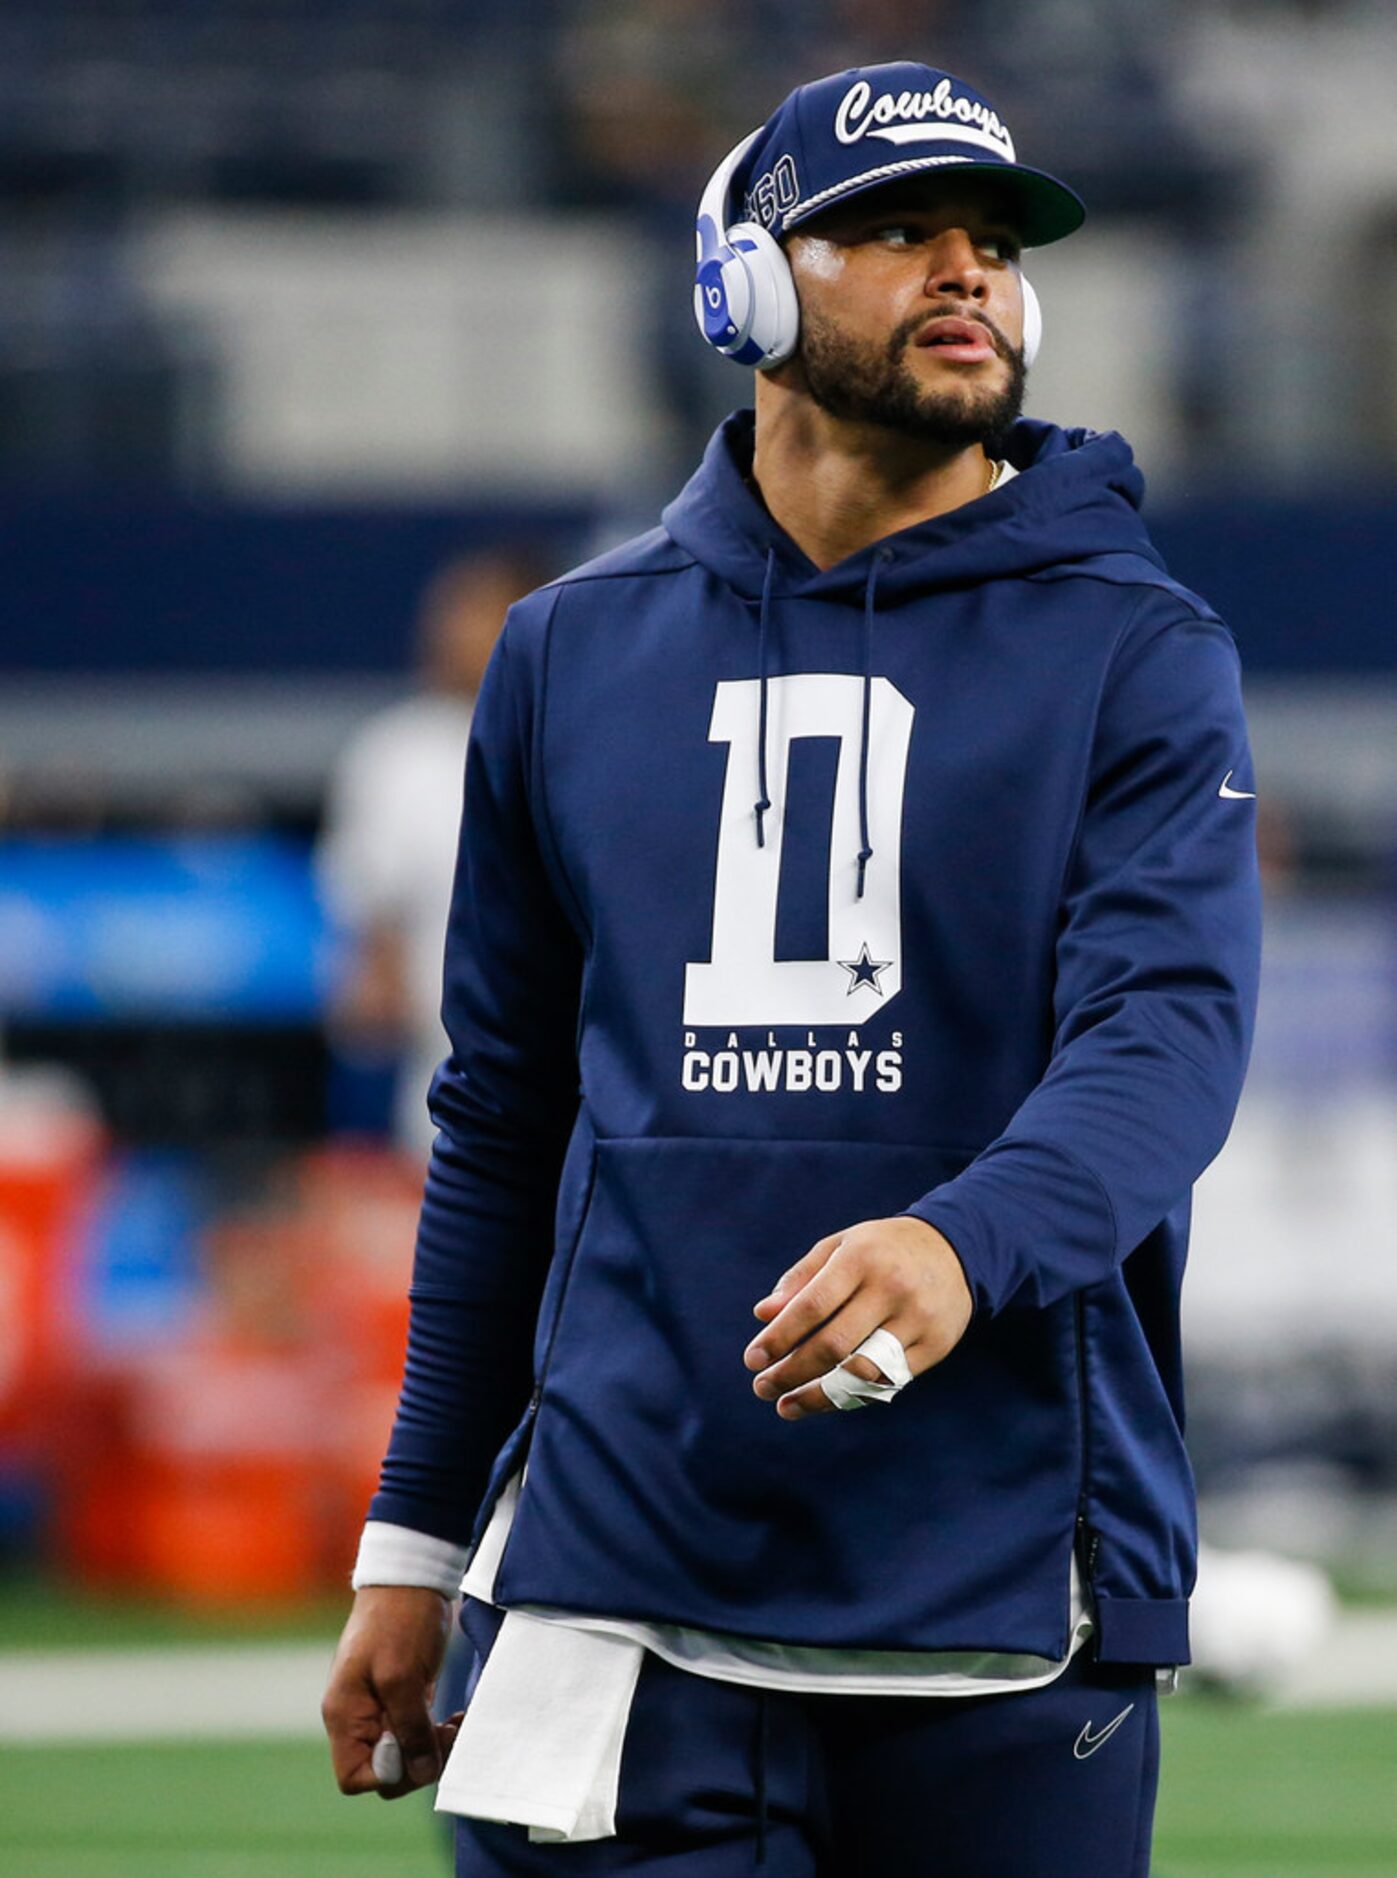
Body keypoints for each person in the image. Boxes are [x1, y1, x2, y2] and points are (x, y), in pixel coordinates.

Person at [322, 60, 1261, 1875]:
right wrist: (417, 1540)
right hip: (604, 1595)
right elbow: (501, 1123)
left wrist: (954, 1238)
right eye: (893, 229)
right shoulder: (565, 654)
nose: (963, 271)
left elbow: (1165, 1043)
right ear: (738, 282)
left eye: (989, 239)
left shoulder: (1138, 649)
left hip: (996, 1597)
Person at [316, 549, 546, 1156]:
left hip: (573, 1082)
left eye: (476, 612)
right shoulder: (396, 753)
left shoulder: (576, 735)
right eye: (449, 614)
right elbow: (370, 940)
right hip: (444, 1085)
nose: (454, 632)